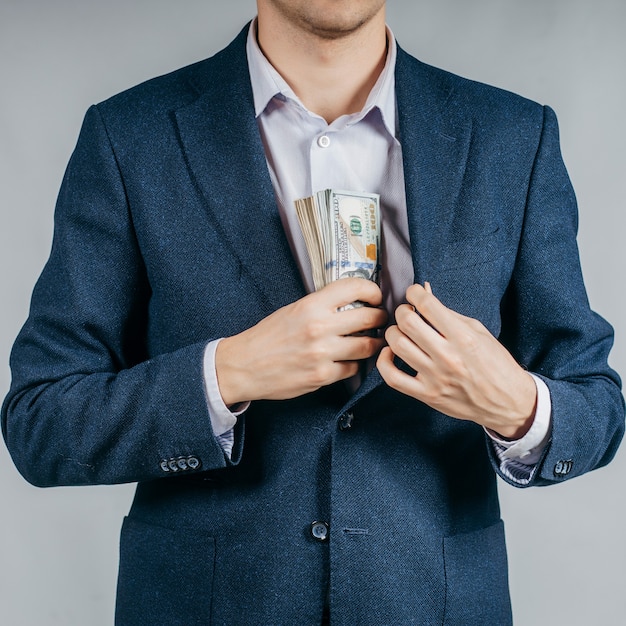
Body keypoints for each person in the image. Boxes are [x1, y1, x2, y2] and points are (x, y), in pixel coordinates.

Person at [2, 1, 624, 624]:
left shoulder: (513, 136)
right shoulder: (128, 135)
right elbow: (40, 421)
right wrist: (226, 375)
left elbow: (595, 404)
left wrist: (516, 404)